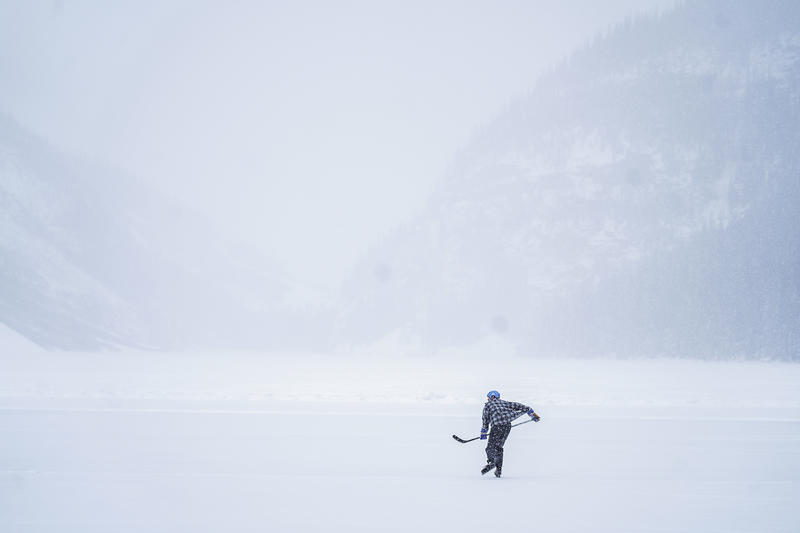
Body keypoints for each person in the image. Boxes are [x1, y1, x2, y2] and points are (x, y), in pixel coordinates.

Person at [480, 390, 540, 477]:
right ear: (498, 397)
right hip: (507, 426)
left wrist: (483, 432)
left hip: (496, 426)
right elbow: (522, 407)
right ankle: (498, 470)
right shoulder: (505, 403)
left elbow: (485, 420)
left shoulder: (487, 406)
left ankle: (492, 462)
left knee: (490, 448)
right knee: (498, 447)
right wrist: (533, 415)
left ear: (489, 398)